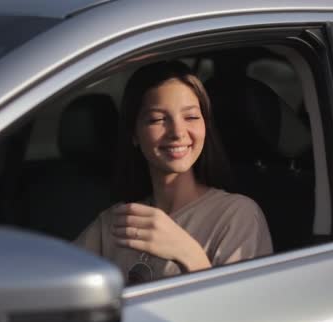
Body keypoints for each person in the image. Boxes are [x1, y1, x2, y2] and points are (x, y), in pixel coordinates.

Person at [74, 60, 273, 285]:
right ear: (134, 134)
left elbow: (241, 314)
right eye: (158, 119)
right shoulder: (116, 222)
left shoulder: (237, 215)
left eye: (191, 117)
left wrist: (188, 254)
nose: (178, 132)